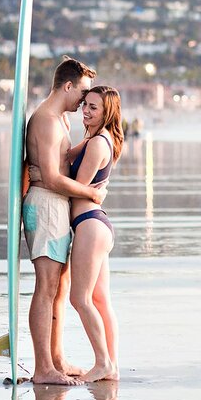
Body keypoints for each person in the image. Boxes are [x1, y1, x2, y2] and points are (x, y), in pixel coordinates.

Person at [23, 57, 105, 385]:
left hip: (55, 207)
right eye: (82, 93)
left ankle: (56, 359)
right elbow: (54, 178)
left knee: (60, 288)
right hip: (45, 206)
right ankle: (43, 367)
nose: (84, 101)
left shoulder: (59, 120)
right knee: (46, 288)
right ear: (68, 86)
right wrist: (90, 192)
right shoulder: (45, 120)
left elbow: (60, 165)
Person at [67, 85, 123, 382]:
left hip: (90, 223)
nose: (85, 111)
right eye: (85, 105)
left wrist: (41, 177)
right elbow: (65, 157)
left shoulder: (99, 144)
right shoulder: (96, 140)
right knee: (100, 300)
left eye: (93, 108)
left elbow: (74, 185)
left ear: (107, 113)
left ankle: (103, 363)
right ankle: (111, 365)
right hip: (96, 225)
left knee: (81, 298)